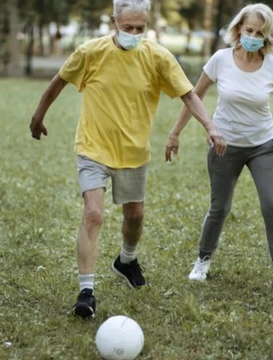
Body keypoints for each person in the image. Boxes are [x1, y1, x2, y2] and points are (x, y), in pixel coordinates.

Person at [29, 0, 227, 318]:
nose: (134, 33)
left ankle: (126, 260)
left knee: (135, 217)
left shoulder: (158, 57)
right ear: (113, 22)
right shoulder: (90, 52)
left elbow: (188, 94)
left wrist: (210, 125)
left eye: (140, 28)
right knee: (93, 214)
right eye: (127, 27)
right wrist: (38, 116)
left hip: (133, 152)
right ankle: (86, 292)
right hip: (92, 147)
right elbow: (59, 81)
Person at [165, 3, 273, 293]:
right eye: (249, 30)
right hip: (224, 145)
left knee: (272, 205)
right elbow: (194, 96)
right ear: (238, 29)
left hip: (262, 146)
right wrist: (175, 133)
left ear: (267, 36)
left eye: (260, 33)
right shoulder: (221, 59)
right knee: (219, 207)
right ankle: (203, 261)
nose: (253, 37)